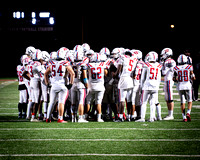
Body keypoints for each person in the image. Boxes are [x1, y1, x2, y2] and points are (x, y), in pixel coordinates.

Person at [44, 49, 75, 123]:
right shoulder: (65, 63)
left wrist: (47, 83)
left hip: (53, 85)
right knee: (61, 102)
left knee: (51, 102)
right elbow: (72, 73)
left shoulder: (52, 63)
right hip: (62, 85)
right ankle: (60, 118)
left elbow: (45, 74)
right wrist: (70, 84)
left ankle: (48, 118)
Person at [136, 51, 162, 122]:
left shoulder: (146, 65)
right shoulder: (158, 65)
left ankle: (142, 118)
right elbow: (159, 78)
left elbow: (143, 78)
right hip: (155, 86)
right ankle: (151, 118)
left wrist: (141, 87)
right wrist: (157, 86)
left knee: (143, 102)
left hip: (147, 86)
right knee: (152, 103)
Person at [113, 51, 138, 122]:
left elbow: (118, 70)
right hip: (130, 79)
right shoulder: (134, 59)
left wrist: (115, 75)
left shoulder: (122, 58)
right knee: (129, 100)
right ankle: (129, 116)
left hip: (123, 78)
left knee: (122, 100)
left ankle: (120, 117)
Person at [86, 53, 108, 122]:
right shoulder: (102, 65)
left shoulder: (88, 65)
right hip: (100, 85)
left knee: (88, 102)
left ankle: (85, 117)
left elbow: (85, 72)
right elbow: (106, 73)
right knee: (98, 102)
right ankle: (98, 118)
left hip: (91, 86)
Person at [173, 54, 196, 122]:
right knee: (190, 100)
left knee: (182, 101)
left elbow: (174, 78)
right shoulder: (189, 67)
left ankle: (184, 117)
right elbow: (193, 76)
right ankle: (188, 112)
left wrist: (177, 80)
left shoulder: (176, 68)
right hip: (187, 84)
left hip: (180, 85)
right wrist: (193, 79)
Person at [22, 49, 43, 122]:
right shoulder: (37, 64)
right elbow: (42, 72)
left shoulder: (30, 63)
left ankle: (30, 115)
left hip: (32, 81)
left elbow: (23, 74)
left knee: (33, 100)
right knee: (37, 101)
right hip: (36, 82)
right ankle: (33, 117)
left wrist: (30, 79)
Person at [160, 48, 176, 120]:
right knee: (167, 98)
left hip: (169, 80)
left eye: (163, 54)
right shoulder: (167, 61)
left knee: (169, 98)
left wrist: (162, 64)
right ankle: (169, 114)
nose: (162, 56)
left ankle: (171, 115)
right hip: (167, 80)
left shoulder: (170, 61)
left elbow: (164, 72)